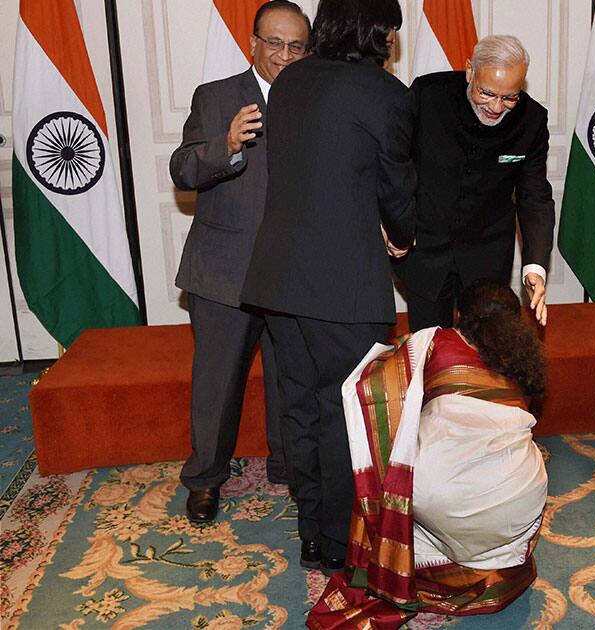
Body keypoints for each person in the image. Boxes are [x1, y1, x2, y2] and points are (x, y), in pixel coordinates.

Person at [241, 0, 416, 575]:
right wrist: (403, 236)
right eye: (390, 29)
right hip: (344, 287)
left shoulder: (289, 82)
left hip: (279, 280)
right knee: (348, 417)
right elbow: (396, 186)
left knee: (303, 408)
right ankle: (342, 545)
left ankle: (313, 535)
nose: (393, 40)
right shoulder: (385, 94)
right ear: (374, 32)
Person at [309, 279, 548, 627]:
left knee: (403, 470)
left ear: (459, 315)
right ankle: (488, 566)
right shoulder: (521, 359)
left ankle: (425, 572)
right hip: (519, 498)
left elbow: (374, 387)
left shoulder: (434, 342)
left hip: (443, 497)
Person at [169, 1, 311, 523]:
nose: (283, 55)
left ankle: (289, 466)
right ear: (253, 43)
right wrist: (226, 144)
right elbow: (183, 169)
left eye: (296, 46)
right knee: (217, 382)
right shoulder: (216, 96)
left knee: (289, 376)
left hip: (293, 269)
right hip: (224, 269)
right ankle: (205, 477)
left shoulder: (315, 98)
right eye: (274, 43)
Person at [393, 34, 555, 331]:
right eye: (487, 93)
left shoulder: (531, 119)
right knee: (430, 351)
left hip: (487, 257)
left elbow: (535, 197)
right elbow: (394, 162)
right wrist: (391, 222)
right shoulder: (427, 96)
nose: (495, 107)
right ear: (470, 71)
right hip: (424, 253)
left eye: (509, 97)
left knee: (488, 355)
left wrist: (535, 265)